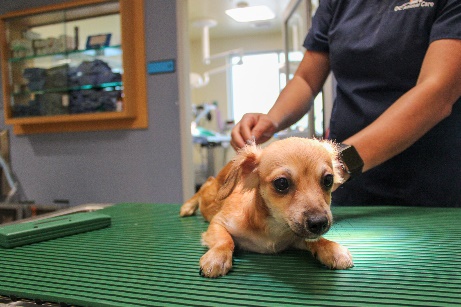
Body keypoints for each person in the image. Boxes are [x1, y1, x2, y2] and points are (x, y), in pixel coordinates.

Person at [230, 0, 461, 207]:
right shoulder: (336, 3)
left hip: (430, 182)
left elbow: (439, 91)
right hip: (348, 186)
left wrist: (340, 162)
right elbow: (306, 79)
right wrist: (273, 118)